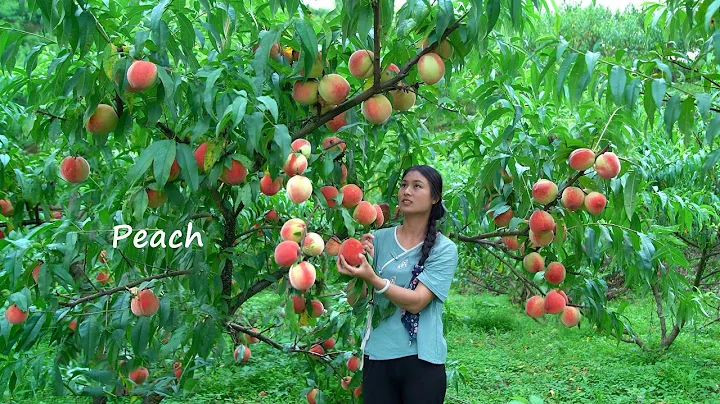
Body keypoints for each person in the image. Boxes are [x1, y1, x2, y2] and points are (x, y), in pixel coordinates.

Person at [336, 165, 459, 404]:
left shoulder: (444, 249)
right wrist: (356, 269)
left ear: (435, 198)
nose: (406, 191)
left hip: (423, 362)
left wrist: (373, 278)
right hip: (379, 356)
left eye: (416, 186)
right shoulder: (378, 239)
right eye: (403, 185)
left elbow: (418, 302)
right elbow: (357, 301)